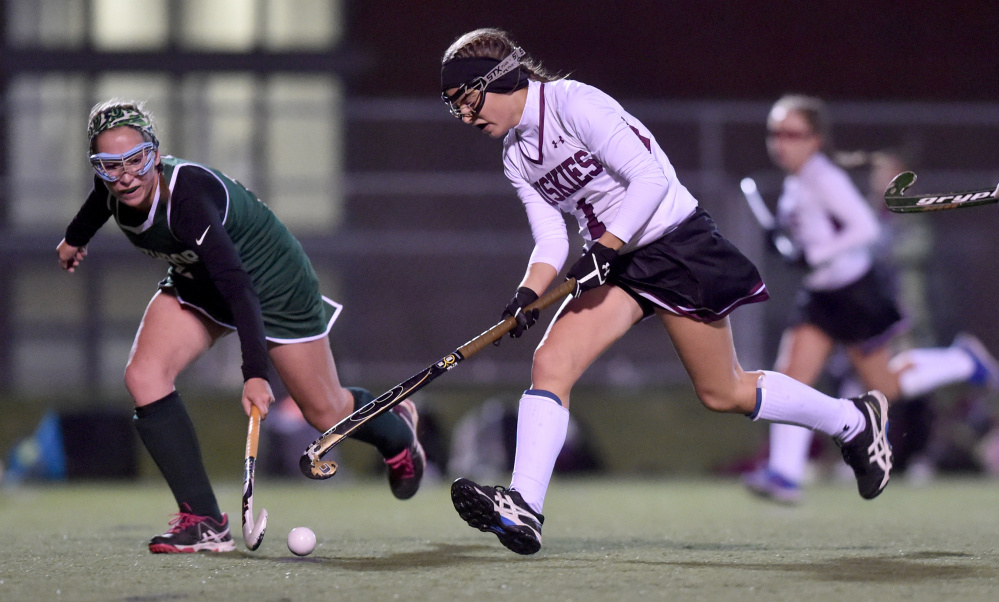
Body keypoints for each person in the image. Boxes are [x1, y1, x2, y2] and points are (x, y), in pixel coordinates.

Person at [440, 29, 893, 556]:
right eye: (457, 108)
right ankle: (525, 507)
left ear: (502, 79)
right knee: (552, 363)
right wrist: (526, 294)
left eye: (468, 100)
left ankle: (854, 420)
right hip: (616, 262)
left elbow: (650, 180)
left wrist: (605, 248)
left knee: (723, 391)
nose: (468, 117)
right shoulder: (517, 156)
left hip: (674, 245)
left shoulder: (576, 103)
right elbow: (550, 238)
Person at [57, 100, 426, 553]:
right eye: (110, 166)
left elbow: (240, 288)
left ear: (156, 152)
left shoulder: (187, 199)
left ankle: (396, 430)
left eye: (137, 160)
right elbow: (102, 198)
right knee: (144, 375)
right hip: (200, 280)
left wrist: (255, 374)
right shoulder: (114, 185)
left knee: (325, 412)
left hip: (270, 283)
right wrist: (76, 237)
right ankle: (204, 521)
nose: (127, 176)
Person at [742, 95, 999, 504]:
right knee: (790, 375)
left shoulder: (823, 177)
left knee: (886, 385)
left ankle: (962, 360)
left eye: (791, 134)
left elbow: (864, 229)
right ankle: (784, 475)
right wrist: (789, 244)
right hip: (822, 295)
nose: (780, 143)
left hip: (855, 293)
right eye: (775, 134)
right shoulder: (797, 182)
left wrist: (812, 253)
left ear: (815, 139)